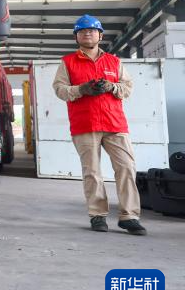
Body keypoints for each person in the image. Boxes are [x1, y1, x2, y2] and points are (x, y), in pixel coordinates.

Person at [51, 14, 145, 236]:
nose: (87, 33)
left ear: (100, 35)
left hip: (115, 123)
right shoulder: (67, 62)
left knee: (126, 167)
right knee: (92, 172)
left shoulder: (114, 61)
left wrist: (112, 86)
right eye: (82, 31)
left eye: (92, 30)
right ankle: (97, 215)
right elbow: (60, 90)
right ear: (76, 37)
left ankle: (129, 216)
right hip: (85, 124)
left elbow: (127, 88)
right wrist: (81, 89)